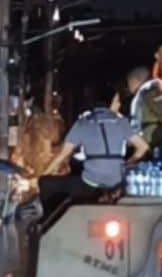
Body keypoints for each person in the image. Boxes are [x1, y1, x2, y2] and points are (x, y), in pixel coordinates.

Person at [38, 85, 148, 222]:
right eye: (117, 100)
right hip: (117, 182)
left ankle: (45, 222)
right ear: (110, 103)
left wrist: (44, 174)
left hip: (90, 184)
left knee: (46, 183)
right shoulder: (121, 122)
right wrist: (127, 165)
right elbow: (143, 147)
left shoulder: (83, 123)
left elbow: (63, 154)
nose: (118, 104)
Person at [126, 66, 162, 152]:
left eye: (129, 83)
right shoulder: (147, 95)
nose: (129, 88)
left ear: (135, 80)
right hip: (155, 141)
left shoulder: (151, 93)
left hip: (160, 141)